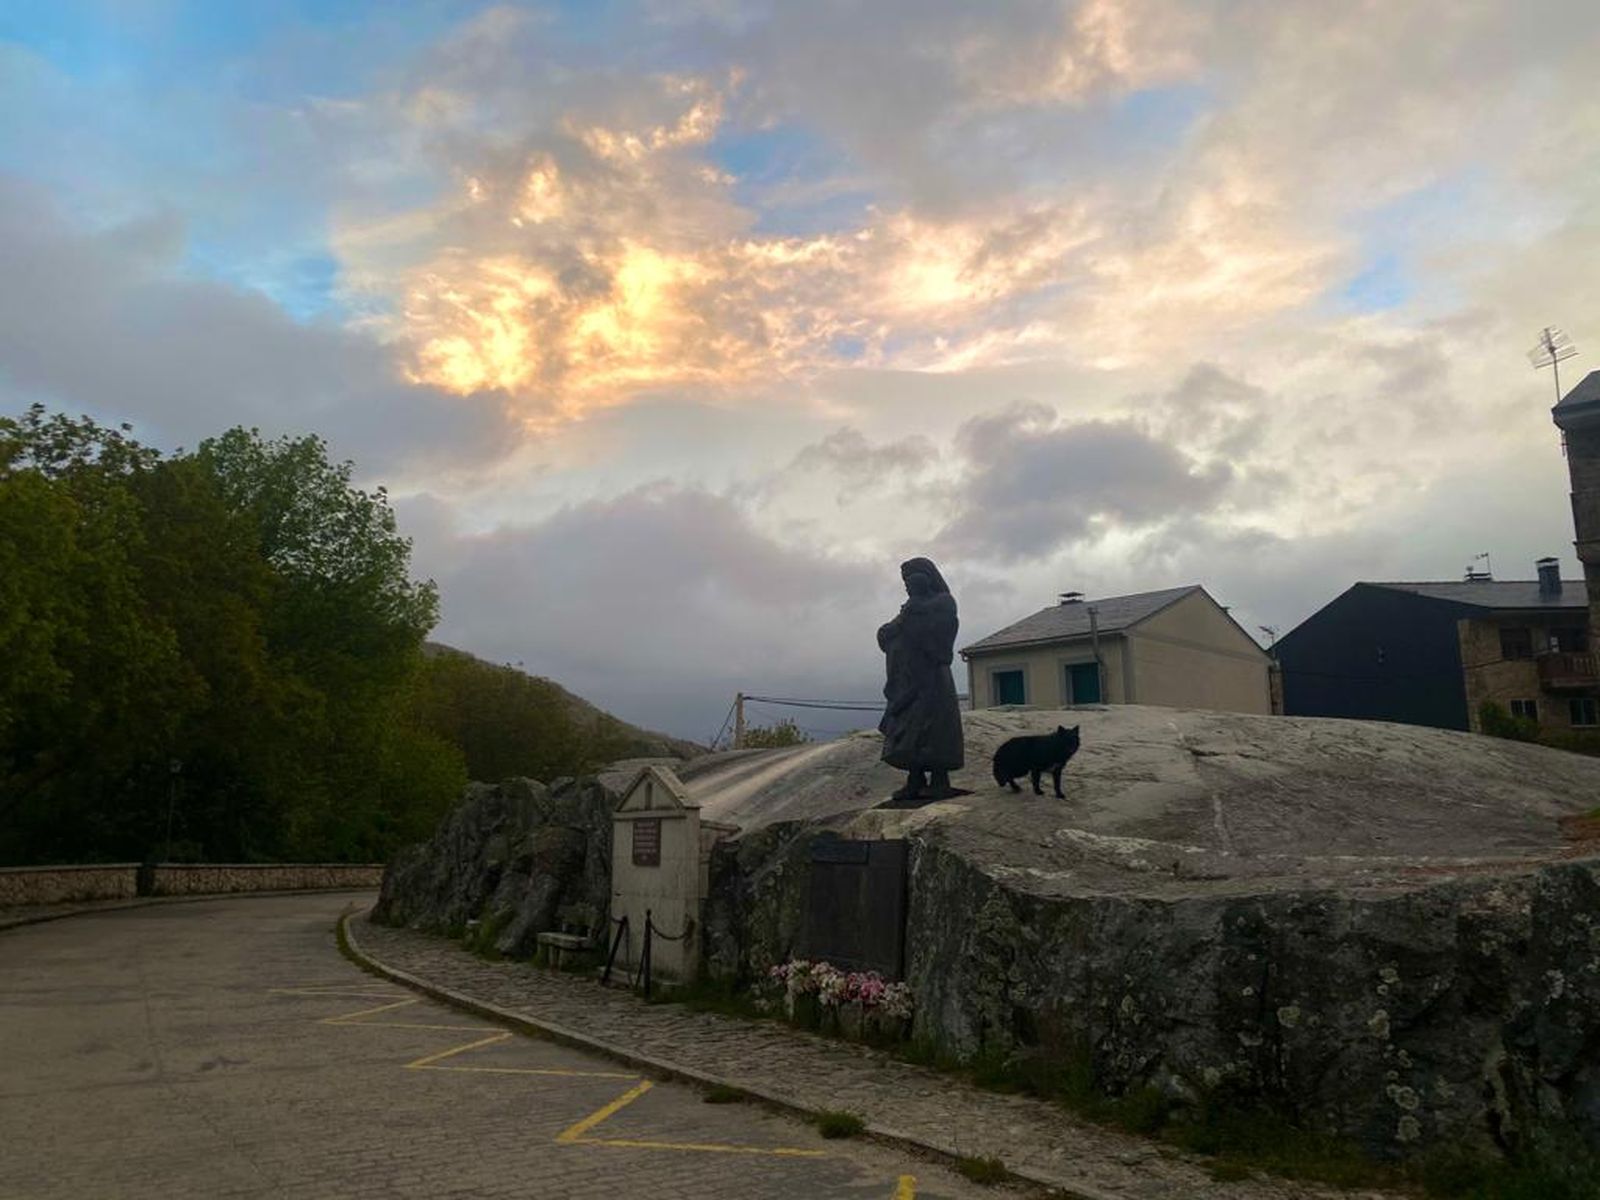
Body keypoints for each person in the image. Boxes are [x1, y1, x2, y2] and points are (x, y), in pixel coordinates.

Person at [877, 557, 965, 800]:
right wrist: (896, 627)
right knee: (909, 730)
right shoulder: (908, 608)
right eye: (904, 581)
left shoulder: (943, 602)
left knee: (935, 728)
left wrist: (915, 618)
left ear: (926, 577)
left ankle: (939, 779)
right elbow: (888, 633)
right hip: (908, 680)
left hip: (933, 679)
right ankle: (914, 778)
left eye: (910, 578)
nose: (906, 585)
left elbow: (942, 630)